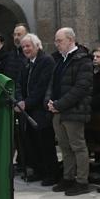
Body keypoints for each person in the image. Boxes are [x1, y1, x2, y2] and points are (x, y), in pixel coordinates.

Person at [45, 27, 93, 196]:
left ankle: (82, 181)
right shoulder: (61, 60)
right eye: (56, 41)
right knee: (65, 147)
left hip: (74, 111)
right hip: (58, 111)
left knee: (78, 146)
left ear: (71, 40)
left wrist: (59, 104)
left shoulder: (83, 60)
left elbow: (80, 88)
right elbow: (53, 83)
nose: (56, 44)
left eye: (60, 41)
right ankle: (68, 177)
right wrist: (50, 102)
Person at [15, 33, 58, 186]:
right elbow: (18, 83)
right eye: (23, 46)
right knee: (31, 142)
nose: (25, 49)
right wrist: (19, 100)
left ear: (37, 46)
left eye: (28, 46)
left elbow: (42, 86)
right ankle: (39, 171)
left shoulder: (46, 61)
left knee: (45, 143)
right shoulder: (25, 62)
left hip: (41, 109)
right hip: (28, 109)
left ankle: (51, 174)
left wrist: (26, 103)